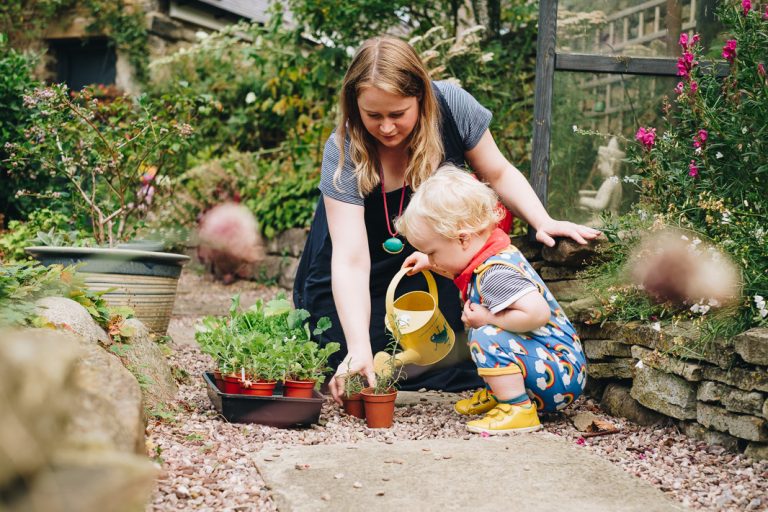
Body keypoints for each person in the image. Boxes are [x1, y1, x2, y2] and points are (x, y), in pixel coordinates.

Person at [292, 36, 599, 405]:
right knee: (358, 359)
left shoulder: (452, 106)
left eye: (397, 114)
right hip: (353, 267)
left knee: (445, 355)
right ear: (354, 106)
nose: (386, 128)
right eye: (373, 116)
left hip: (428, 260)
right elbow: (351, 260)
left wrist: (541, 220)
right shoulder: (342, 149)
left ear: (421, 97)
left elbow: (497, 172)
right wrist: (357, 347)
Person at [395, 166, 587, 434]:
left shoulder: (495, 273)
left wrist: (488, 318)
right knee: (483, 330)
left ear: (463, 239)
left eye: (433, 251)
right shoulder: (486, 254)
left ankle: (517, 408)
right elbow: (453, 261)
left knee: (486, 333)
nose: (434, 258)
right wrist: (429, 262)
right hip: (550, 365)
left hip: (558, 374)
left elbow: (537, 314)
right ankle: (502, 394)